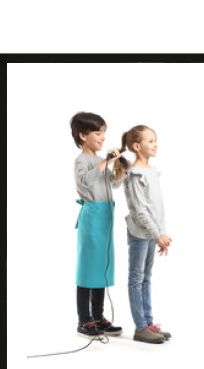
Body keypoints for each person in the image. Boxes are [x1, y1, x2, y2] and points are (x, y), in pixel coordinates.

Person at [70, 112, 128, 338]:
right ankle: (84, 320)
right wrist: (105, 162)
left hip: (105, 217)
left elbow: (110, 184)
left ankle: (97, 317)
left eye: (104, 131)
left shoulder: (98, 160)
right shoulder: (82, 161)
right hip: (92, 217)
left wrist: (119, 171)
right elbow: (84, 183)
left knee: (101, 268)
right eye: (97, 132)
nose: (103, 136)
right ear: (83, 135)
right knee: (88, 269)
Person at [120, 125, 172, 344]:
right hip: (140, 233)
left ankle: (148, 322)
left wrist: (161, 234)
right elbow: (139, 210)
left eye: (155, 140)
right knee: (136, 278)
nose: (155, 144)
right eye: (150, 141)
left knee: (146, 278)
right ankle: (140, 327)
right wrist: (155, 234)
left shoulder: (151, 171)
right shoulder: (134, 175)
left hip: (152, 233)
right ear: (136, 146)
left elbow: (156, 208)